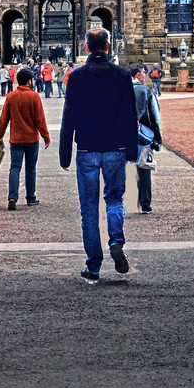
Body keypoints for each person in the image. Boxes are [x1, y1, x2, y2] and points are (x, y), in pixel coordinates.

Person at [57, 29, 138, 284]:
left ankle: (93, 265)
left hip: (87, 150)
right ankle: (116, 242)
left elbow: (68, 115)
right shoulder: (122, 75)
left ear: (87, 47)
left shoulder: (77, 76)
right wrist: (132, 150)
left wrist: (64, 155)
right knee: (114, 200)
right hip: (115, 148)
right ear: (109, 46)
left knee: (89, 209)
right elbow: (129, 115)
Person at [0, 67, 49, 211]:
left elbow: (4, 119)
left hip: (16, 139)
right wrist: (46, 136)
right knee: (30, 169)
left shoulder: (11, 97)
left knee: (15, 168)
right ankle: (30, 197)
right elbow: (40, 120)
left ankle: (12, 197)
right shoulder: (34, 96)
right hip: (31, 138)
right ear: (30, 81)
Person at [132, 65, 163, 213]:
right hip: (141, 136)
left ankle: (118, 203)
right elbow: (155, 116)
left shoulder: (118, 90)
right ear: (138, 74)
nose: (146, 75)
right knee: (144, 169)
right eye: (144, 72)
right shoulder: (146, 91)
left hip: (121, 135)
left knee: (119, 169)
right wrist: (157, 139)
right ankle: (145, 204)